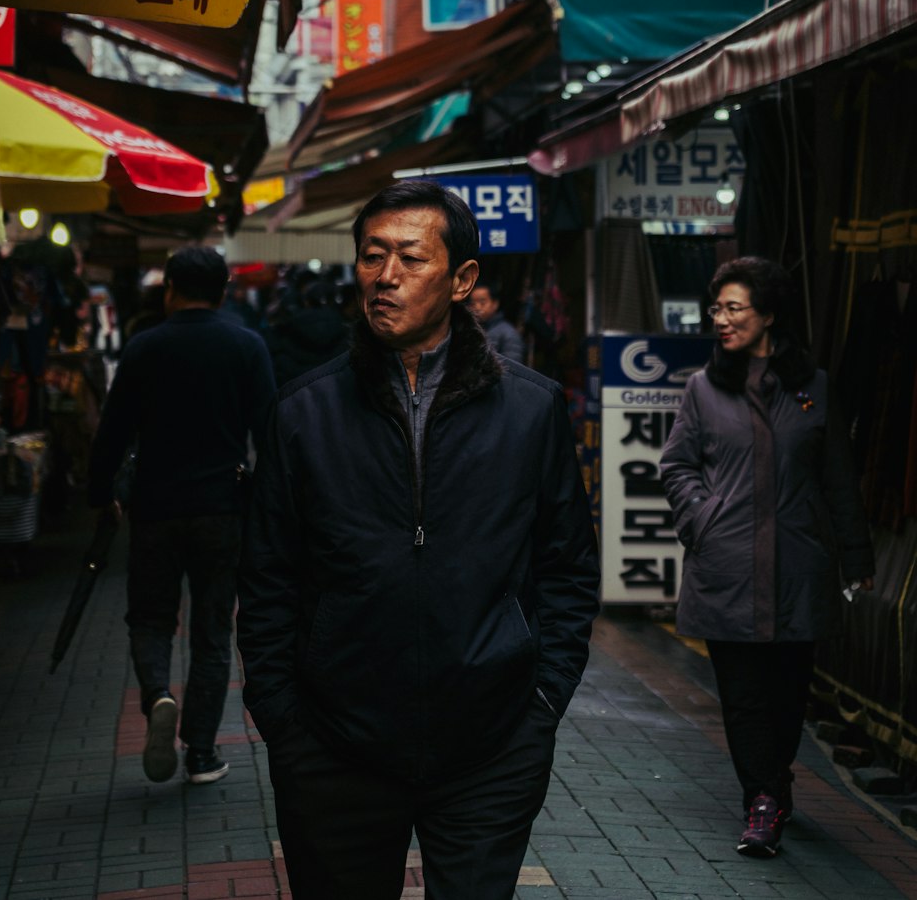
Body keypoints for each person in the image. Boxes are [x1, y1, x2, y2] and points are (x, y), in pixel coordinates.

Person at [236, 180, 600, 900]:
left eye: (409, 257)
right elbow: (268, 576)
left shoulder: (530, 412)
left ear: (463, 279)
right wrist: (285, 721)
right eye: (372, 257)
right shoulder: (303, 413)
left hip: (491, 745)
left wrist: (541, 707)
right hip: (336, 749)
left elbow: (567, 569)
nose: (386, 276)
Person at [659, 256, 874, 860]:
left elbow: (837, 479)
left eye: (734, 308)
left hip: (797, 568)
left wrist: (856, 554)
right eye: (716, 309)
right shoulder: (704, 388)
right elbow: (676, 464)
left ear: (770, 315)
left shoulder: (814, 388)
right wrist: (702, 516)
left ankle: (773, 786)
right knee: (743, 695)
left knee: (787, 693)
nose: (720, 320)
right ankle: (762, 800)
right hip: (725, 566)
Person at [88, 246, 275, 786]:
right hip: (222, 507)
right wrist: (265, 500)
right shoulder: (246, 345)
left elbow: (113, 430)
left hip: (155, 506)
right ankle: (200, 752)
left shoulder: (146, 348)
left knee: (150, 617)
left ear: (170, 288)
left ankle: (158, 694)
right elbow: (270, 431)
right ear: (222, 292)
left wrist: (102, 492)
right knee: (213, 630)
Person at [468, 278, 526, 364]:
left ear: (495, 304)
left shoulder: (508, 333)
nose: (477, 307)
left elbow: (512, 371)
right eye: (473, 304)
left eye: (482, 303)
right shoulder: (472, 329)